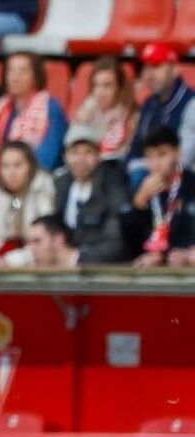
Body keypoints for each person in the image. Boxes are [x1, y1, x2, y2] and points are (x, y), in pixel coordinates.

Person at [0, 51, 68, 178]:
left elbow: (48, 156)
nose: (15, 77)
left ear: (36, 76)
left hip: (40, 179)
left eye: (23, 71)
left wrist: (15, 176)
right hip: (3, 178)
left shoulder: (51, 108)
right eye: (11, 71)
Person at [52, 125, 129, 264]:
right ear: (65, 157)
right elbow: (17, 204)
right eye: (75, 152)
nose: (81, 159)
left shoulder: (112, 183)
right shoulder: (60, 183)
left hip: (102, 265)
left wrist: (77, 257)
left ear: (99, 155)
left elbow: (116, 240)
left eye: (88, 152)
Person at [124, 126, 195, 268]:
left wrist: (187, 253)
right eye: (150, 157)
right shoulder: (140, 189)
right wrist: (139, 204)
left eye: (162, 155)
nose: (156, 163)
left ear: (178, 153)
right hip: (151, 265)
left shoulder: (191, 184)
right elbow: (127, 239)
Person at [0, 141, 55, 267]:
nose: (11, 172)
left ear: (31, 166)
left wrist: (8, 262)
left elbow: (44, 242)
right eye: (5, 166)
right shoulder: (4, 194)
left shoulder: (42, 189)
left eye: (18, 165)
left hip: (44, 261)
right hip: (19, 254)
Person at [129, 42, 195, 187]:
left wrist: (141, 175)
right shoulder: (149, 103)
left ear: (175, 69)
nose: (149, 74)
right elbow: (135, 149)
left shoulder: (191, 104)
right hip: (152, 177)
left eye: (156, 66)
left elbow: (181, 160)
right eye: (145, 67)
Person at [71, 57, 137, 166]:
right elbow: (71, 146)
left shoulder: (131, 115)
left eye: (107, 86)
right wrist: (81, 123)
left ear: (120, 88)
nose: (100, 92)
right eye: (96, 85)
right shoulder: (88, 108)